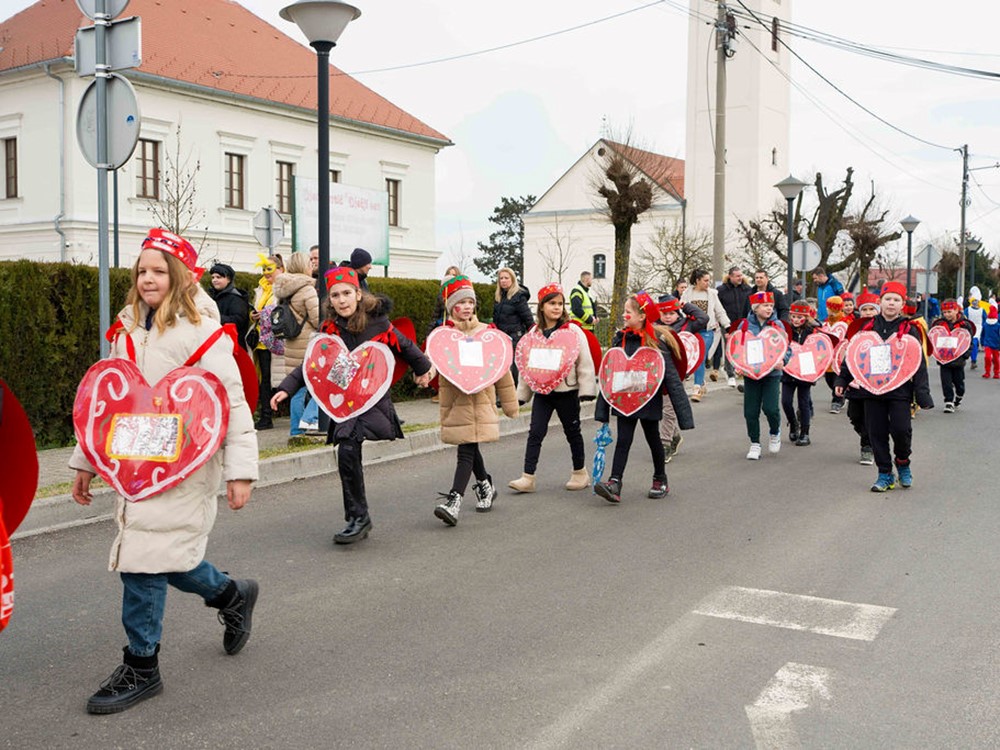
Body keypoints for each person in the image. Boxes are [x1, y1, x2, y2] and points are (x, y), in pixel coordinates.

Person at [69, 229, 259, 715]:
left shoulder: (203, 332)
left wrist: (241, 471)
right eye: (141, 271)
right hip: (135, 459)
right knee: (164, 555)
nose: (147, 278)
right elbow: (108, 404)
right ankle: (232, 595)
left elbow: (232, 403)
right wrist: (85, 462)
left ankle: (142, 664)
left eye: (158, 270)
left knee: (142, 559)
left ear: (178, 276)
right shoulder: (127, 329)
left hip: (186, 463)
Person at [271, 266, 434, 544]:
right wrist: (286, 388)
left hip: (370, 399)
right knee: (346, 451)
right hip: (343, 402)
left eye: (347, 293)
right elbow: (311, 366)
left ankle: (358, 517)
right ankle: (358, 518)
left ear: (358, 294)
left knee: (349, 446)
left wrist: (425, 370)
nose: (341, 300)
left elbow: (406, 347)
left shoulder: (379, 323)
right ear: (330, 300)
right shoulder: (329, 329)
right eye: (335, 295)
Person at [433, 276, 518, 526]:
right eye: (462, 302)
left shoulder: (488, 334)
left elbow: (501, 371)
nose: (467, 306)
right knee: (469, 444)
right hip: (457, 400)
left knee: (466, 450)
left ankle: (454, 500)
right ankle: (484, 485)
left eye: (471, 301)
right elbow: (435, 365)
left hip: (481, 400)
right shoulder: (444, 336)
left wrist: (510, 404)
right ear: (452, 307)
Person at [593, 292, 693, 503]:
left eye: (628, 312)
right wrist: (602, 409)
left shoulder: (657, 343)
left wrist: (684, 415)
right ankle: (615, 482)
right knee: (624, 439)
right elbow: (609, 374)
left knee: (653, 439)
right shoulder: (619, 339)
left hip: (647, 398)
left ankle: (660, 478)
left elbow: (672, 379)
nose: (624, 315)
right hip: (624, 399)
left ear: (641, 316)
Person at [834, 281, 933, 492]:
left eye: (896, 300)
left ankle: (903, 462)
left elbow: (918, 363)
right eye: (887, 299)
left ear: (902, 305)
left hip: (900, 390)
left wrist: (922, 394)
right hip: (871, 389)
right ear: (880, 302)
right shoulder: (866, 328)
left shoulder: (910, 330)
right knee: (876, 432)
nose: (891, 303)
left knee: (901, 429)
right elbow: (854, 356)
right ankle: (885, 474)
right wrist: (842, 380)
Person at [508, 283, 596, 493]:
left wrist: (586, 389)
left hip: (567, 392)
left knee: (572, 432)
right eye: (552, 303)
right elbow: (528, 366)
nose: (557, 308)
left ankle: (580, 473)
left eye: (560, 303)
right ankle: (527, 477)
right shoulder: (534, 333)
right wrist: (522, 395)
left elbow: (584, 360)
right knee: (535, 432)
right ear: (542, 307)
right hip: (543, 392)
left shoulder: (572, 330)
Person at [731, 291, 792, 460]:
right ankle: (755, 443)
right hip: (751, 375)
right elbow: (737, 349)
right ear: (755, 308)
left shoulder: (778, 325)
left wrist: (783, 361)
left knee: (771, 408)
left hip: (772, 373)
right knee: (750, 411)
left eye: (771, 306)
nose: (769, 308)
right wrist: (738, 366)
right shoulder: (744, 326)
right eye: (765, 305)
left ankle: (775, 432)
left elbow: (787, 348)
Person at [273, 252, 321, 438]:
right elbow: (318, 319)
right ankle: (309, 421)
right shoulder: (307, 289)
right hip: (307, 345)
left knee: (297, 389)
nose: (312, 266)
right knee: (319, 383)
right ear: (303, 266)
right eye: (310, 263)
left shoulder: (283, 288)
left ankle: (296, 430)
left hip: (291, 344)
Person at [656, 294, 707, 462]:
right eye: (664, 314)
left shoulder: (687, 325)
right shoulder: (655, 326)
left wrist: (685, 305)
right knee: (660, 408)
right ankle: (674, 435)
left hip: (678, 373)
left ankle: (665, 444)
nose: (668, 317)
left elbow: (704, 317)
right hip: (658, 373)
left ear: (678, 312)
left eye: (671, 313)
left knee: (669, 409)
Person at [681, 268, 730, 402]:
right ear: (697, 281)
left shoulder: (712, 294)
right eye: (706, 280)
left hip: (707, 331)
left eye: (709, 280)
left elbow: (719, 311)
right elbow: (681, 311)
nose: (708, 283)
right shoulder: (687, 293)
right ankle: (701, 381)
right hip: (692, 330)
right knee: (694, 357)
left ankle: (696, 388)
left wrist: (727, 325)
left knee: (700, 357)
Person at [843, 291, 880, 465]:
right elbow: (847, 353)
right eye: (865, 309)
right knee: (854, 414)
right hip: (856, 378)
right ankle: (870, 437)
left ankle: (867, 447)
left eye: (871, 309)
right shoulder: (855, 328)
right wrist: (842, 379)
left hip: (875, 379)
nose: (868, 313)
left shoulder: (883, 327)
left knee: (871, 414)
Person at [249, 254, 284, 430]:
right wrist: (254, 315)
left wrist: (264, 314)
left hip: (276, 342)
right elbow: (260, 309)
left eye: (269, 269)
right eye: (263, 269)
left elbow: (280, 313)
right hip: (261, 341)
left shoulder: (283, 288)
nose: (265, 273)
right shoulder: (261, 289)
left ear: (281, 269)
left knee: (273, 380)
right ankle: (265, 416)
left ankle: (270, 414)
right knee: (264, 380)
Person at [782, 300, 824, 447]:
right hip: (788, 369)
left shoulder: (813, 331)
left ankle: (805, 433)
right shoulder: (786, 331)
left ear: (806, 317)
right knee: (786, 401)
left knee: (803, 402)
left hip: (806, 369)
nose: (795, 320)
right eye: (793, 316)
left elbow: (823, 346)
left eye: (799, 317)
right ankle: (793, 424)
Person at [929, 299, 977, 413]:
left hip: (958, 360)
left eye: (949, 312)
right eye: (944, 312)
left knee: (959, 383)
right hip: (944, 360)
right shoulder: (940, 325)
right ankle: (948, 402)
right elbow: (934, 339)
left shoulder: (964, 325)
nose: (947, 315)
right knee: (946, 382)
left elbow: (969, 341)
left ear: (956, 310)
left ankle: (959, 396)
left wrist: (965, 355)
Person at [492, 267, 534, 385]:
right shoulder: (499, 297)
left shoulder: (518, 297)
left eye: (506, 278)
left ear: (512, 279)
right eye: (501, 278)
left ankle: (514, 391)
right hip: (501, 336)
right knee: (501, 364)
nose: (503, 281)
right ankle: (503, 392)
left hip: (515, 335)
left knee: (513, 365)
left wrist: (534, 332)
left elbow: (527, 317)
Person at [427, 265, 461, 404]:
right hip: (443, 329)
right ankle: (440, 391)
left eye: (454, 275)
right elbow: (436, 314)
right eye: (448, 274)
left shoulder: (462, 294)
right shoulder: (441, 296)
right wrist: (430, 331)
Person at [716, 266, 752, 387]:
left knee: (742, 347)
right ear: (730, 277)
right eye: (737, 276)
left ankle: (741, 369)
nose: (740, 278)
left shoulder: (747, 289)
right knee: (729, 347)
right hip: (727, 323)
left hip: (743, 322)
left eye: (741, 275)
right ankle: (730, 373)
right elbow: (718, 308)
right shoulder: (721, 290)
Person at [207, 263, 251, 348]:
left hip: (233, 345)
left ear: (228, 279)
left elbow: (238, 321)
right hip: (217, 342)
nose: (214, 280)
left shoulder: (236, 298)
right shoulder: (213, 296)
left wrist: (215, 317)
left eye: (218, 277)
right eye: (213, 277)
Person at [823, 295, 846, 414]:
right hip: (828, 357)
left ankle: (837, 400)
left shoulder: (845, 322)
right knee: (829, 379)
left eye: (829, 307)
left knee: (837, 378)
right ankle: (842, 393)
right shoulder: (826, 323)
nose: (827, 309)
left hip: (840, 357)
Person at [964, 287, 986, 370]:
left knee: (975, 343)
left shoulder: (982, 310)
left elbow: (985, 319)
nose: (975, 302)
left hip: (979, 328)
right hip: (970, 327)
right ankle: (968, 358)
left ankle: (973, 360)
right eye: (974, 301)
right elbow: (965, 319)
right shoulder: (967, 309)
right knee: (970, 344)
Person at [981, 303, 1000, 378]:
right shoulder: (985, 325)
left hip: (996, 344)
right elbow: (983, 334)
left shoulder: (998, 326)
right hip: (987, 344)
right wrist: (982, 342)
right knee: (987, 358)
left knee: (996, 359)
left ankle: (996, 372)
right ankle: (987, 372)